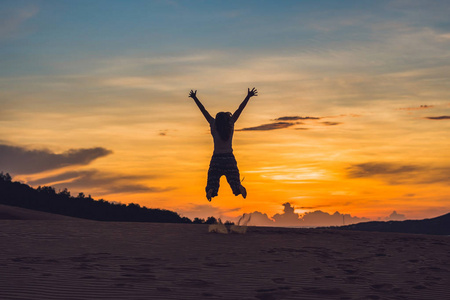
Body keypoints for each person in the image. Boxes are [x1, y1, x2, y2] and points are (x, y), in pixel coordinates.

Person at [189, 88, 258, 201]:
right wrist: (248, 96)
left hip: (216, 158)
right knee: (234, 179)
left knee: (213, 179)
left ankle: (211, 190)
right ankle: (238, 187)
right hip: (229, 158)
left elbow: (203, 111)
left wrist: (195, 98)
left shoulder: (213, 124)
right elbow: (239, 109)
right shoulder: (230, 124)